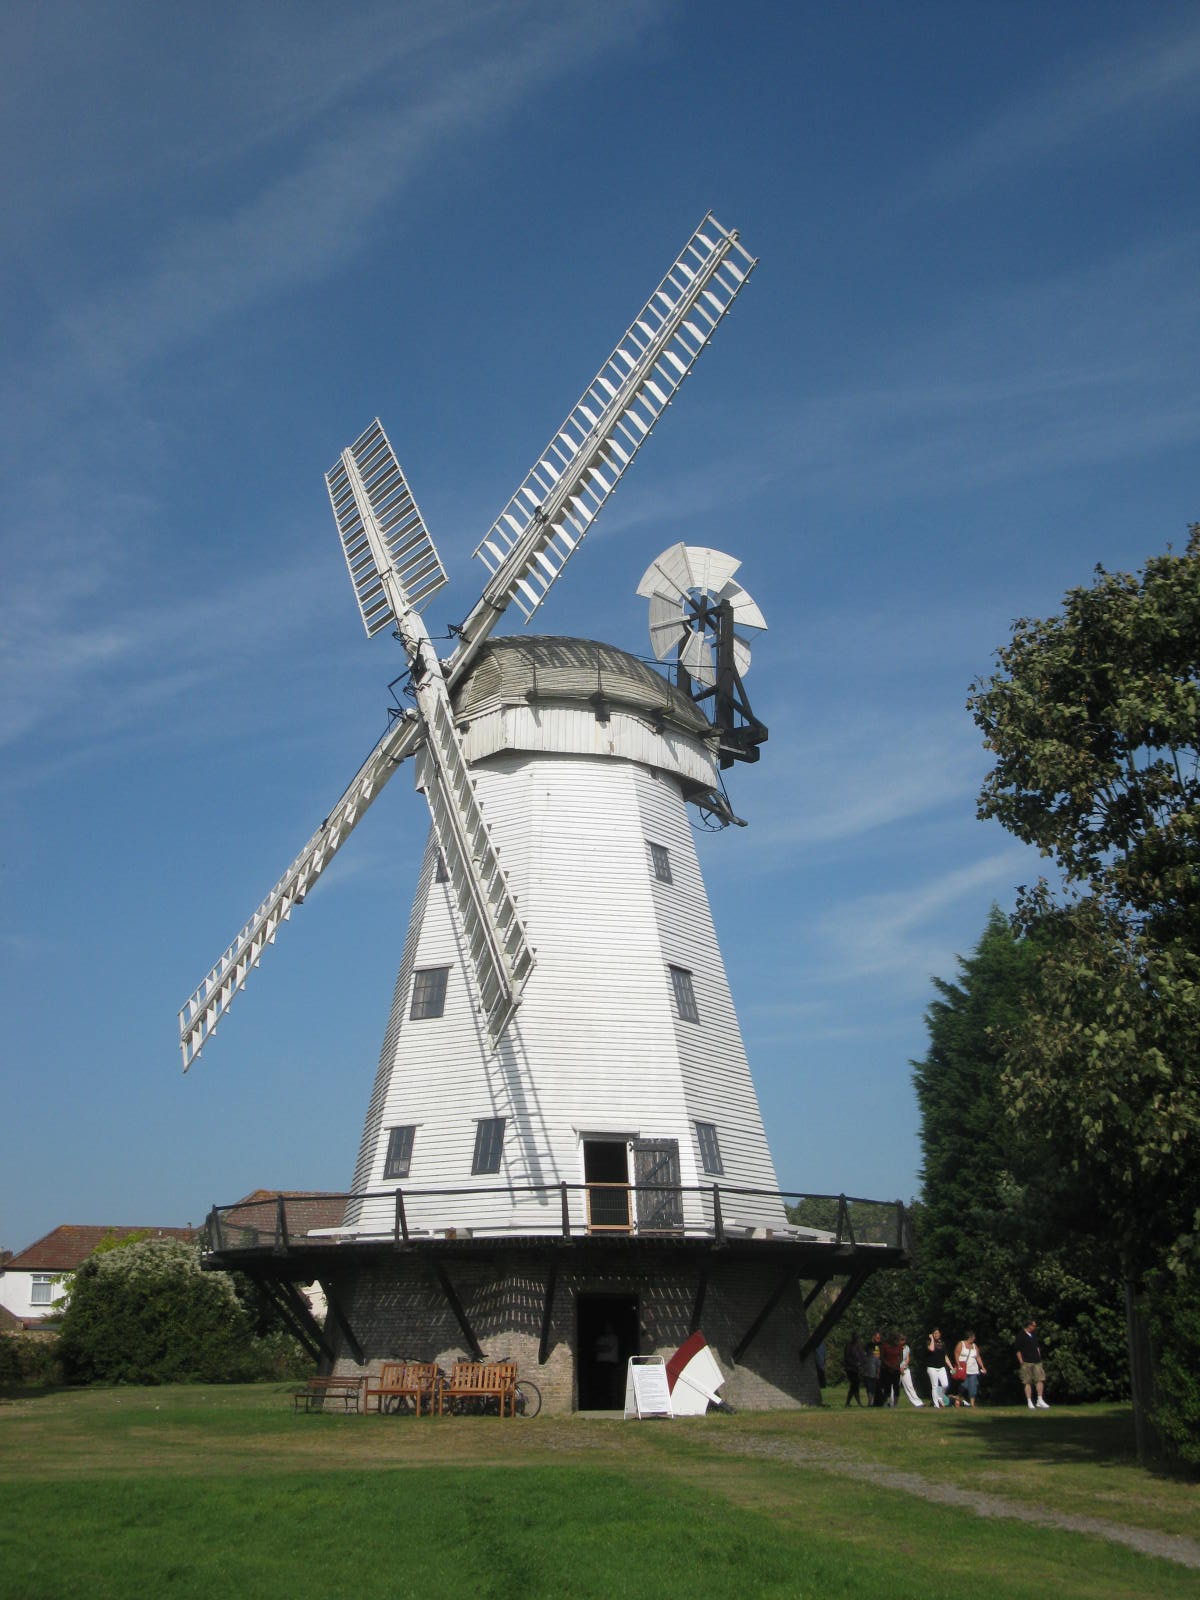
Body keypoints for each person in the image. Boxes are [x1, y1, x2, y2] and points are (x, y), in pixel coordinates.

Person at [1016, 1317, 1050, 1409]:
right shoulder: (1021, 1335)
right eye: (1033, 1325)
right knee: (1027, 1382)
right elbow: (1018, 1350)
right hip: (1026, 1361)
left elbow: (1037, 1347)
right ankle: (1029, 1401)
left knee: (1040, 1379)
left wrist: (1039, 1356)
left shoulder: (1034, 1334)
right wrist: (1021, 1361)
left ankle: (1040, 1399)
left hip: (1036, 1361)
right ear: (1029, 1325)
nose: (1035, 1327)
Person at [958, 1331, 987, 1406]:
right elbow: (956, 1354)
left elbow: (978, 1357)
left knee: (973, 1386)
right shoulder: (961, 1344)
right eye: (973, 1337)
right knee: (964, 1385)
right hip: (964, 1369)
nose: (974, 1338)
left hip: (973, 1370)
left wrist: (982, 1367)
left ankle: (972, 1404)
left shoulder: (974, 1346)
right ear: (970, 1337)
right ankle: (958, 1398)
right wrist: (958, 1365)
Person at [925, 1328, 951, 1408]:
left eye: (938, 1333)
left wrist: (951, 1367)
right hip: (932, 1367)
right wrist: (932, 1339)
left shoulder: (942, 1343)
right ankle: (936, 1405)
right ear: (932, 1334)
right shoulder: (929, 1342)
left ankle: (940, 1397)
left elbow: (945, 1356)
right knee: (935, 1386)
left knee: (945, 1384)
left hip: (941, 1367)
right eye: (935, 1333)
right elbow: (931, 1349)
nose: (937, 1335)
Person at [878, 1330, 903, 1407]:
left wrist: (896, 1365)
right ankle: (885, 1402)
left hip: (896, 1369)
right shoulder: (884, 1346)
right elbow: (882, 1357)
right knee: (887, 1386)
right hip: (887, 1369)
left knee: (896, 1387)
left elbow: (901, 1357)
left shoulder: (899, 1346)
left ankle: (895, 1404)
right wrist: (889, 1365)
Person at [899, 1336, 924, 1407]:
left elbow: (907, 1359)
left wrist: (904, 1367)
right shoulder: (895, 1348)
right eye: (901, 1340)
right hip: (896, 1369)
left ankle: (918, 1403)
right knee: (893, 1388)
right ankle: (892, 1403)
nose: (902, 1341)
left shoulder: (907, 1348)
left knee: (909, 1386)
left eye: (904, 1340)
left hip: (905, 1369)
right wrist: (899, 1368)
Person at [843, 1332, 865, 1407]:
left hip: (857, 1369)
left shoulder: (859, 1346)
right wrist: (855, 1364)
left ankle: (849, 1402)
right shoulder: (849, 1346)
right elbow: (847, 1358)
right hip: (851, 1368)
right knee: (854, 1384)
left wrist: (861, 1364)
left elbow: (862, 1356)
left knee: (855, 1385)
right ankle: (855, 1402)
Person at [863, 1332, 881, 1406]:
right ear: (873, 1337)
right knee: (868, 1386)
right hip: (869, 1368)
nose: (878, 1339)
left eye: (879, 1338)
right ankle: (870, 1400)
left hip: (877, 1367)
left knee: (875, 1386)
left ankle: (876, 1400)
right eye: (877, 1338)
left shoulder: (880, 1345)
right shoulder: (869, 1345)